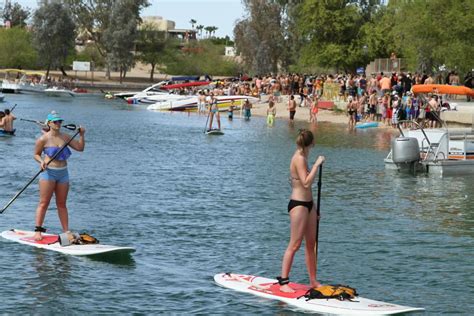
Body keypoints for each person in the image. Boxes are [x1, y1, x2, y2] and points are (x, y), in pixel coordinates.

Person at [278, 129, 325, 293]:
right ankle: (283, 282)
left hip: (309, 204)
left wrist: (315, 209)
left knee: (311, 244)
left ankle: (313, 281)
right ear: (311, 143)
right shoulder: (298, 158)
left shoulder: (304, 157)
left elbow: (307, 187)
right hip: (298, 204)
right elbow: (305, 183)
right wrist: (317, 165)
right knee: (295, 244)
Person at [33, 112, 86, 241]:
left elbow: (80, 148)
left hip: (63, 173)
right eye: (55, 122)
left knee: (62, 203)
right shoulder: (43, 139)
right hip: (48, 173)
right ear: (49, 123)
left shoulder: (66, 137)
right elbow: (36, 154)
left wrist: (82, 135)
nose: (58, 124)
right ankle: (38, 231)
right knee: (44, 203)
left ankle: (66, 231)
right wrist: (41, 162)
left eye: (60, 121)